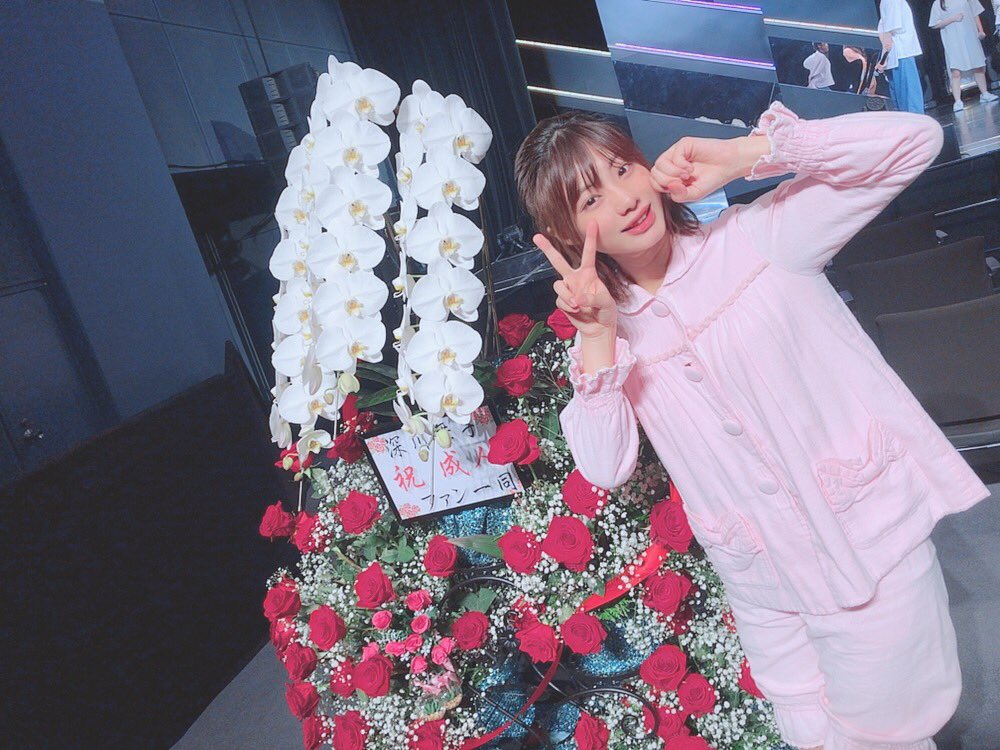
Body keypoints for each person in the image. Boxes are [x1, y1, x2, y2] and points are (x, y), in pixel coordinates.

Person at [514, 103, 990, 750]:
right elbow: (604, 464)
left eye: (623, 169)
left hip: (866, 547)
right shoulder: (611, 334)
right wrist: (596, 336)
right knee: (812, 733)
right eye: (591, 199)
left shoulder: (758, 239)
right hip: (767, 591)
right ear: (569, 235)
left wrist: (748, 154)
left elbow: (914, 142)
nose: (625, 199)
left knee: (885, 732)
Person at [929, 0, 998, 111]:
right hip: (953, 40)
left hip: (970, 35)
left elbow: (975, 13)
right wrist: (952, 19)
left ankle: (984, 93)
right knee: (956, 71)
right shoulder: (939, 3)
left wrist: (980, 30)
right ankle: (957, 100)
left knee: (978, 66)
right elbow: (934, 24)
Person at [878, 0, 925, 112]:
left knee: (905, 98)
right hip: (900, 54)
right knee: (908, 97)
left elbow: (886, 31)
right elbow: (888, 32)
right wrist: (884, 59)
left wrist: (883, 59)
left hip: (900, 54)